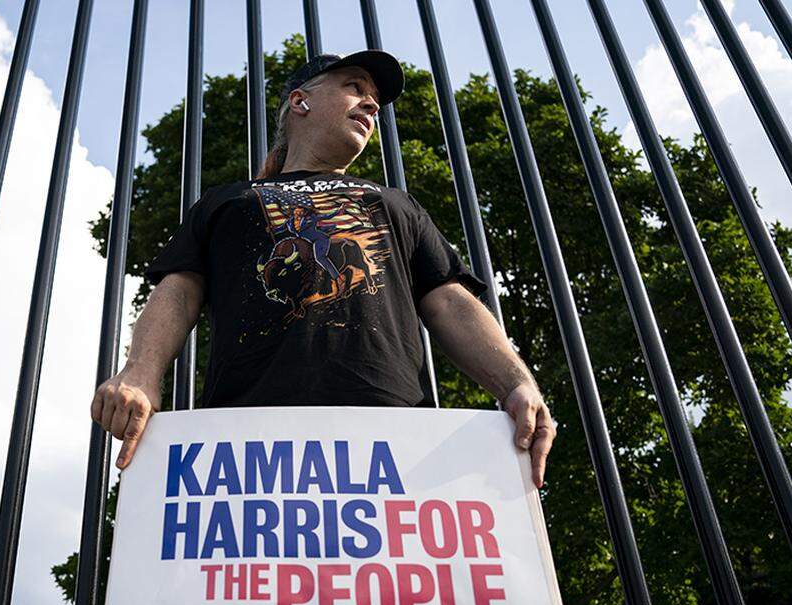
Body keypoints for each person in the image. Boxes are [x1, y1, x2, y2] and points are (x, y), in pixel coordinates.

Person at [91, 49, 557, 488]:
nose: (371, 102)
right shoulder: (230, 200)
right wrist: (139, 373)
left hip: (396, 442)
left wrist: (517, 383)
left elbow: (451, 302)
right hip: (245, 443)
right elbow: (179, 290)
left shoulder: (394, 202)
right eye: (354, 86)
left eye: (374, 97)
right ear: (301, 101)